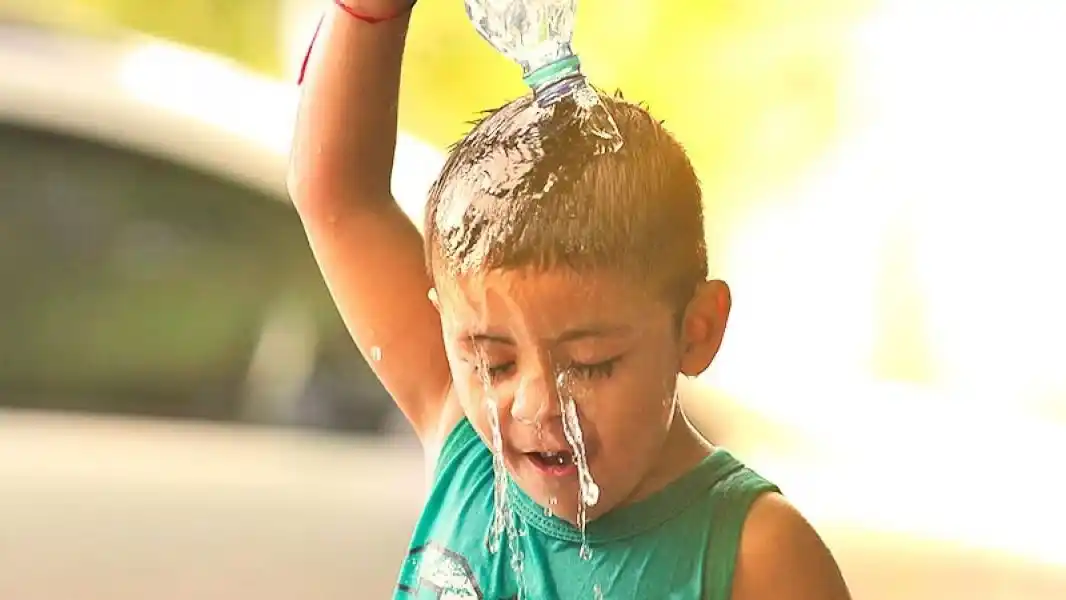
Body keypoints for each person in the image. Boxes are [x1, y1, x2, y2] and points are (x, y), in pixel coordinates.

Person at [290, 1, 852, 598]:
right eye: (493, 363)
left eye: (590, 364)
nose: (534, 405)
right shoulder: (468, 446)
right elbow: (337, 195)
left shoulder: (755, 553)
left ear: (695, 330)